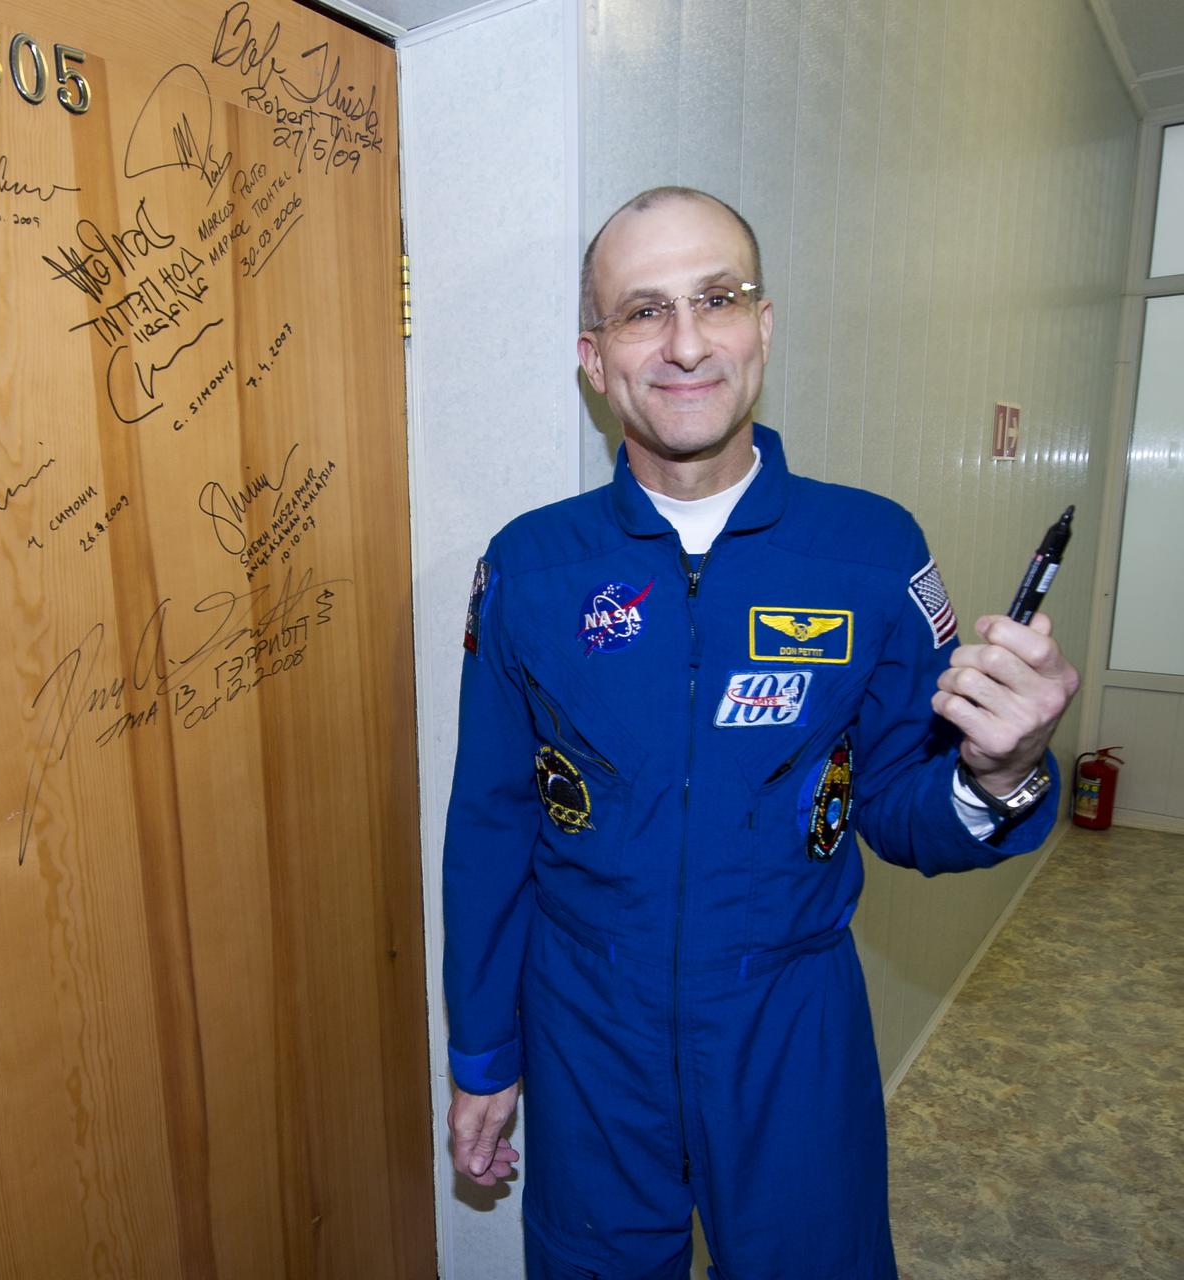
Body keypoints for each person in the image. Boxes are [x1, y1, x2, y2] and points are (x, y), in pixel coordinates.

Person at [442, 187, 1079, 1279]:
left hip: (791, 1022)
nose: (686, 343)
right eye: (644, 312)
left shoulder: (870, 549)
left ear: (764, 327)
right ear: (595, 358)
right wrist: (483, 1053)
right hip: (586, 1024)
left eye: (717, 298)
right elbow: (492, 830)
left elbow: (898, 799)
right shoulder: (530, 566)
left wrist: (1003, 765)